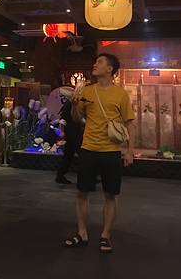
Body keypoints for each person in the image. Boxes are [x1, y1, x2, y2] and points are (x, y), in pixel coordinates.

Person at [64, 53, 135, 253]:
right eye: (95, 61)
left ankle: (105, 236)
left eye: (99, 62)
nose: (95, 64)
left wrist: (130, 151)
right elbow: (77, 118)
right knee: (81, 192)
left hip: (111, 151)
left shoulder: (120, 94)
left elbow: (130, 123)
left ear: (110, 69)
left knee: (110, 195)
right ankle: (82, 233)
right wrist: (75, 105)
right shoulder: (87, 91)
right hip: (88, 148)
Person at [56, 98, 83, 184]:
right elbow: (63, 119)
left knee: (68, 155)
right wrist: (62, 131)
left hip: (75, 133)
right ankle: (87, 177)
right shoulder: (70, 104)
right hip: (72, 133)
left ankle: (60, 175)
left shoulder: (76, 103)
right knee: (79, 155)